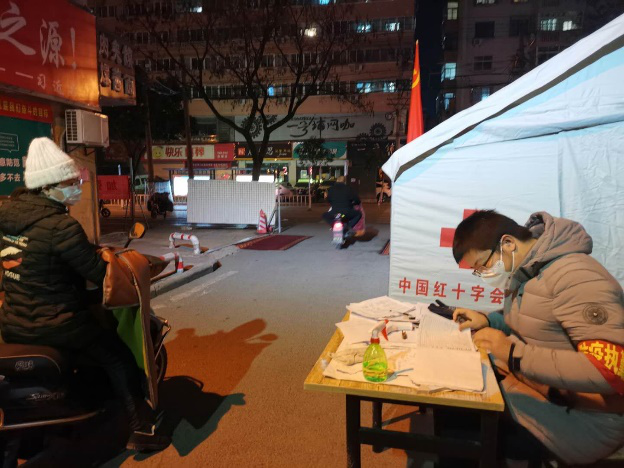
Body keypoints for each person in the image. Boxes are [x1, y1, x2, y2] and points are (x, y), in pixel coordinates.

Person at [0, 137, 169, 452]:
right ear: (49, 186)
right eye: (71, 182)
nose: (77, 187)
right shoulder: (61, 226)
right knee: (118, 357)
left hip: (12, 322)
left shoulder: (9, 218)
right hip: (57, 323)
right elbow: (98, 273)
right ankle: (142, 430)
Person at [449, 210, 624, 465]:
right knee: (455, 403)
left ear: (508, 243)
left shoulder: (576, 277)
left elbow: (610, 369)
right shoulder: (530, 271)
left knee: (459, 434)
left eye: (482, 265)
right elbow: (530, 323)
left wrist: (512, 353)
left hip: (587, 420)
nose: (484, 274)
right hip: (544, 391)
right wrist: (489, 321)